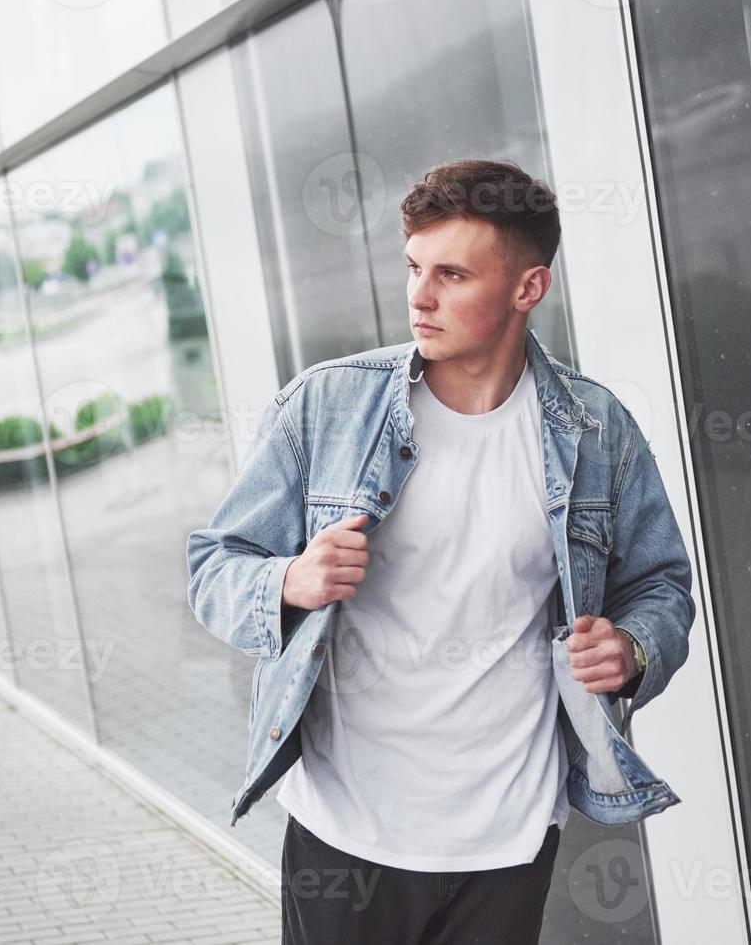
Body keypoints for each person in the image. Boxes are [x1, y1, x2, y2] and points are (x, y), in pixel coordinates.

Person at [185, 159, 696, 943]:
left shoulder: (596, 432)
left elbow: (660, 582)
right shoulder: (327, 405)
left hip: (509, 830)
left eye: (452, 274)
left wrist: (631, 648)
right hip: (345, 828)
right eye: (414, 268)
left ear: (528, 288)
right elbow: (213, 565)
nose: (419, 297)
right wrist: (289, 579)